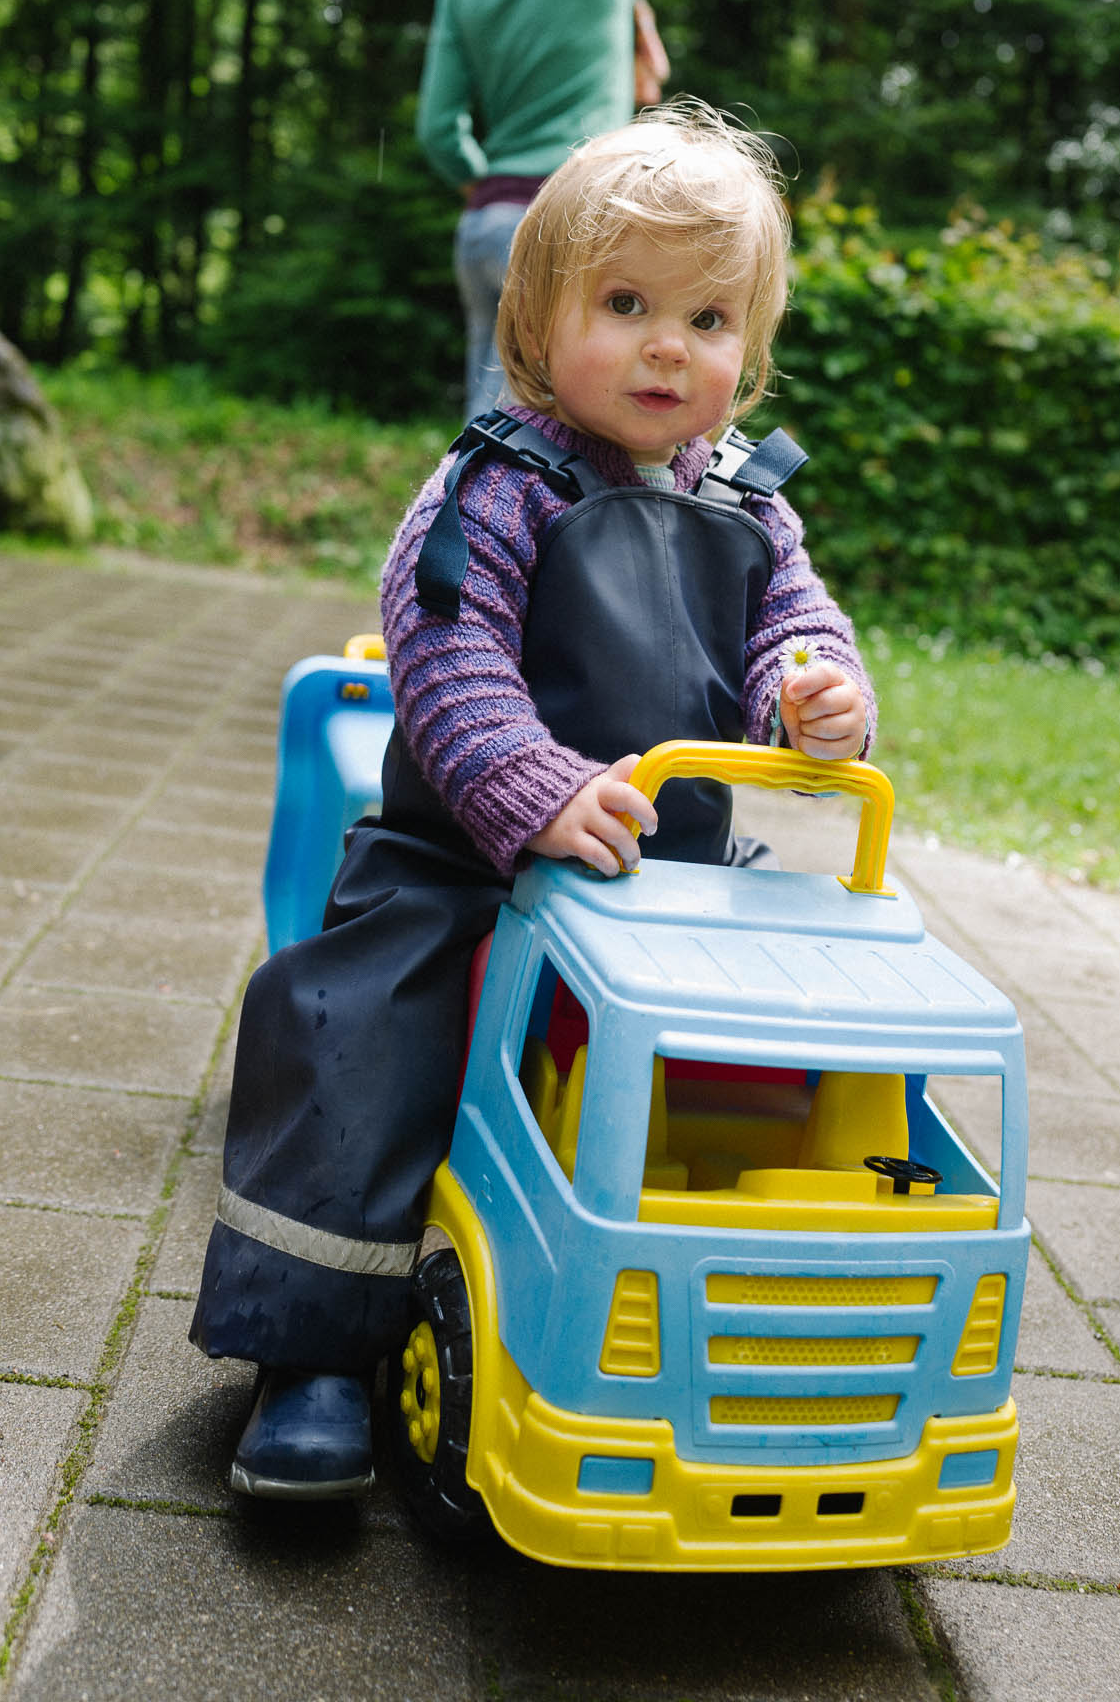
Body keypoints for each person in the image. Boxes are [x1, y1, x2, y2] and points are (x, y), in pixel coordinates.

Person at [191, 105, 877, 1500]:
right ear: (537, 317)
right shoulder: (500, 484)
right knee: (356, 1023)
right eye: (625, 306)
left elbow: (793, 627)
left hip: (666, 880)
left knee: (778, 1039)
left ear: (748, 348)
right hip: (469, 861)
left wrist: (817, 693)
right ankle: (313, 1342)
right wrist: (532, 787)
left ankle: (735, 1305)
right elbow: (444, 654)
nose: (667, 346)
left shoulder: (751, 505)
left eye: (706, 318)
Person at [415, 0, 700, 419]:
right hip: (576, 220)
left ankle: (467, 492)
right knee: (568, 432)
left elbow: (437, 128)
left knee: (489, 417)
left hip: (487, 221)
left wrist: (483, 183)